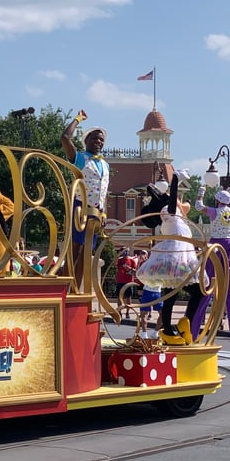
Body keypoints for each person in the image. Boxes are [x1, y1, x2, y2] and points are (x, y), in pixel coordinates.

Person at [135, 171, 202, 345]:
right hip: (176, 256)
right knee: (193, 291)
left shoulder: (173, 215)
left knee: (173, 294)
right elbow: (173, 203)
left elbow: (180, 205)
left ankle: (173, 327)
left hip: (179, 255)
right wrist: (175, 181)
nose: (178, 200)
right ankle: (175, 327)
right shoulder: (167, 210)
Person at [60, 109, 110, 286]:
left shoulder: (105, 164)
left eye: (101, 139)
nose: (98, 141)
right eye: (94, 138)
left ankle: (76, 291)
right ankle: (64, 289)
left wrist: (103, 213)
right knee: (75, 250)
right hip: (80, 207)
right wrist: (77, 119)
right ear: (86, 141)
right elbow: (65, 138)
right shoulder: (80, 158)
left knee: (86, 254)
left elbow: (104, 191)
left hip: (95, 213)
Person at [195, 185, 230, 334]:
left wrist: (201, 192)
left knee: (208, 281)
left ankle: (195, 328)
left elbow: (199, 206)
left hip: (216, 244)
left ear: (218, 201)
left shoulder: (215, 212)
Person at [115, 248, 137, 319]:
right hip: (120, 281)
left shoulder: (131, 260)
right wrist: (118, 255)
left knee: (128, 297)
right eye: (124, 251)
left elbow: (135, 271)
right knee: (119, 297)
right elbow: (114, 264)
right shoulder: (120, 260)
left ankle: (127, 312)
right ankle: (119, 312)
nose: (125, 253)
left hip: (129, 282)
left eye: (126, 251)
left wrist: (129, 268)